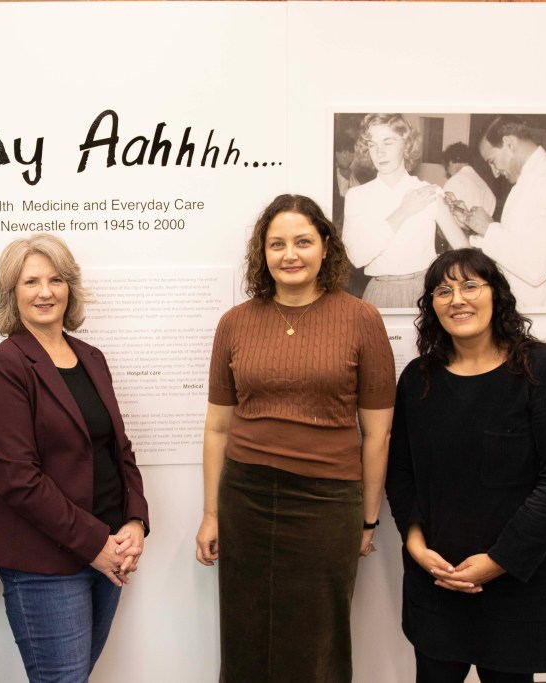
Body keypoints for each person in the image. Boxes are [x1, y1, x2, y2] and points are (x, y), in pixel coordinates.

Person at [195, 194, 395, 682]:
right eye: (276, 243)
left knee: (317, 632)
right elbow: (218, 427)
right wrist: (211, 513)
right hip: (246, 495)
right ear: (262, 253)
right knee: (245, 629)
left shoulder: (362, 319)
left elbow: (378, 432)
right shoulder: (235, 323)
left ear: (325, 247)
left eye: (303, 241)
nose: (290, 254)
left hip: (327, 501)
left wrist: (367, 521)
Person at [385, 248, 546, 683]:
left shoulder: (541, 371)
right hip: (437, 582)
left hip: (516, 584)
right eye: (443, 290)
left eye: (470, 285)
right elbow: (401, 472)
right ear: (431, 306)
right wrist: (416, 545)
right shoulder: (418, 379)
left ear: (496, 295)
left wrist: (498, 560)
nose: (457, 299)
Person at [0, 234, 150, 683]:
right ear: (13, 292)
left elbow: (119, 449)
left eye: (56, 279)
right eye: (30, 281)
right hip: (44, 563)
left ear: (71, 287)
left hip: (109, 549)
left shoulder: (91, 357)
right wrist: (96, 545)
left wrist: (134, 521)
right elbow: (19, 480)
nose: (45, 291)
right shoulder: (4, 364)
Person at [343, 113, 468, 307]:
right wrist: (402, 211)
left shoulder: (429, 192)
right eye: (372, 145)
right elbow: (356, 257)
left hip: (427, 292)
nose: (379, 152)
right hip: (381, 294)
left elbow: (464, 251)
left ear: (406, 143)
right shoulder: (357, 196)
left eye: (388, 142)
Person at [454, 115, 546, 308]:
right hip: (520, 301)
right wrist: (473, 223)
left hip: (538, 306)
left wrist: (489, 229)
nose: (495, 171)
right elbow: (521, 240)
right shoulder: (530, 177)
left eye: (492, 161)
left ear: (509, 143)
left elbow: (536, 269)